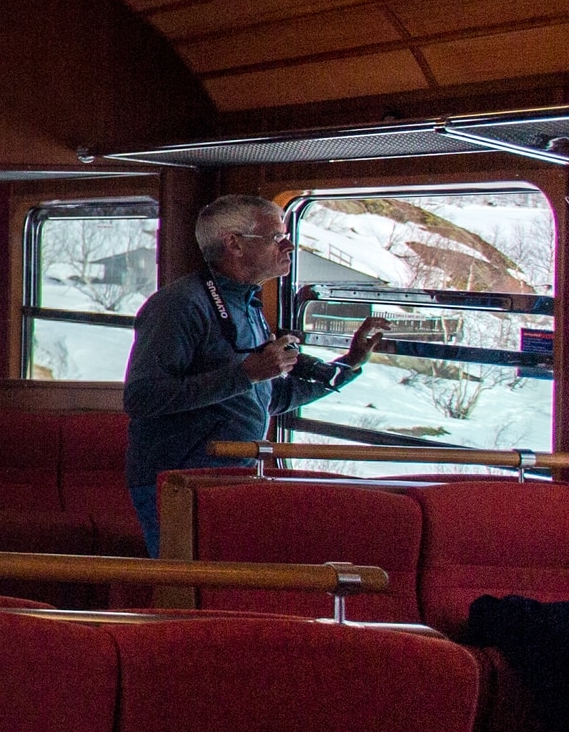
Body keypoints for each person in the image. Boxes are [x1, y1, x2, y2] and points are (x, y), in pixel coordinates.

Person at [123, 194, 387, 554]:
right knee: (188, 591)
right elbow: (142, 399)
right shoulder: (180, 305)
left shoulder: (248, 307)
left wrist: (349, 364)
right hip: (177, 481)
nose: (289, 244)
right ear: (234, 243)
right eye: (277, 237)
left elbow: (270, 395)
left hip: (232, 475)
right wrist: (245, 374)